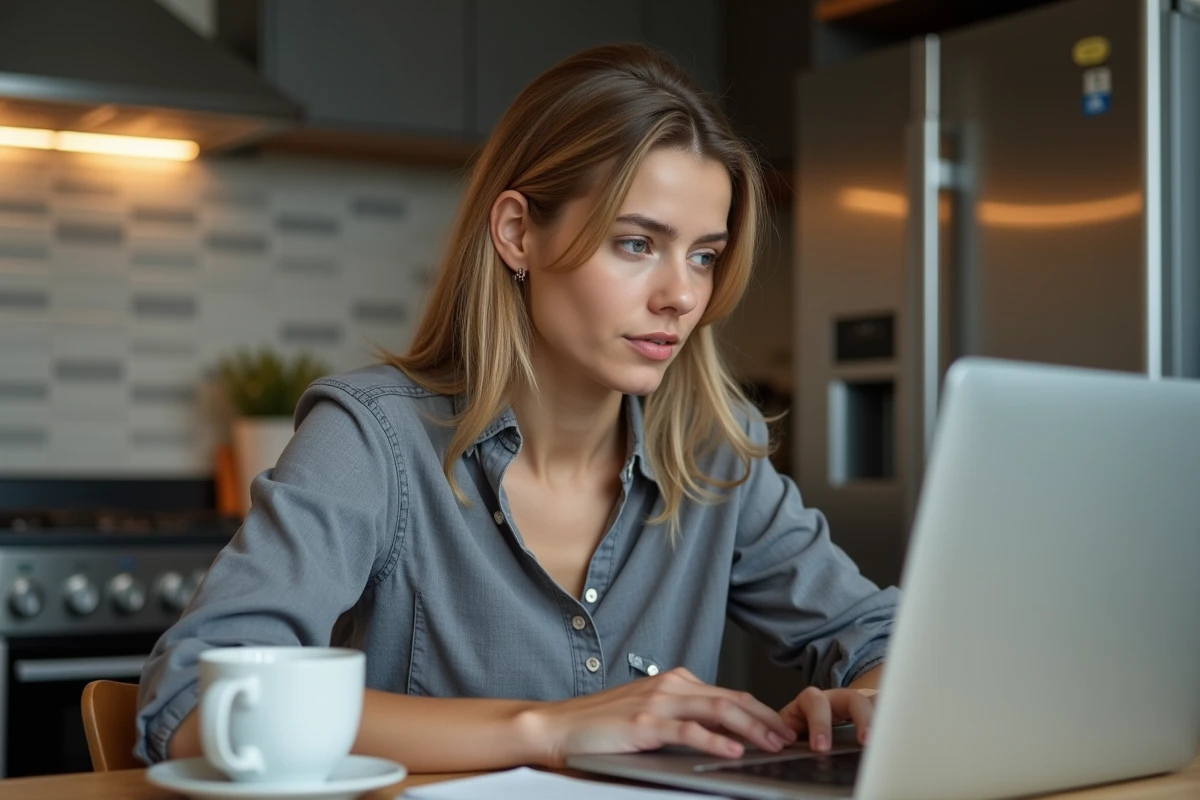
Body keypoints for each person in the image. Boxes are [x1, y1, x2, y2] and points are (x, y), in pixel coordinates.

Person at [135, 43, 899, 773]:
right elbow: (196, 704)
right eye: (637, 244)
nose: (682, 295)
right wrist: (547, 729)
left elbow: (886, 641)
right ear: (516, 234)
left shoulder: (710, 452)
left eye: (704, 255)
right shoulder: (372, 442)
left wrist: (865, 704)